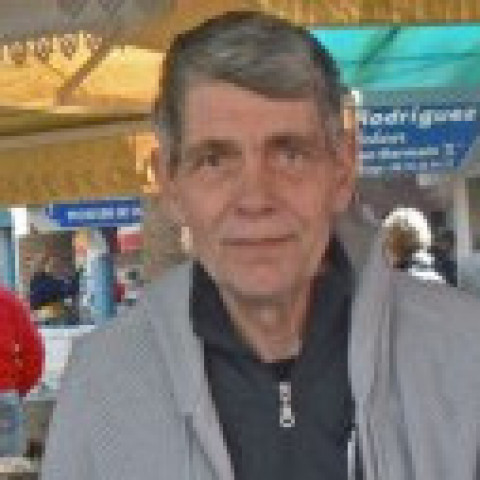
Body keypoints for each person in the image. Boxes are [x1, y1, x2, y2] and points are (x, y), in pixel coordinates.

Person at [41, 11, 480, 480]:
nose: (255, 199)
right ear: (170, 184)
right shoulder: (101, 384)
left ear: (342, 168)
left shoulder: (466, 354)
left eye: (289, 153)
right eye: (214, 160)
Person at [0, 286, 44, 457]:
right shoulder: (8, 300)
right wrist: (17, 390)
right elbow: (34, 352)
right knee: (9, 466)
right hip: (4, 394)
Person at [29, 255, 79, 326]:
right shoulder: (43, 281)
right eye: (54, 266)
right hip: (46, 315)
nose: (57, 269)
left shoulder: (57, 281)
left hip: (50, 315)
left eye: (58, 266)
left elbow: (70, 293)